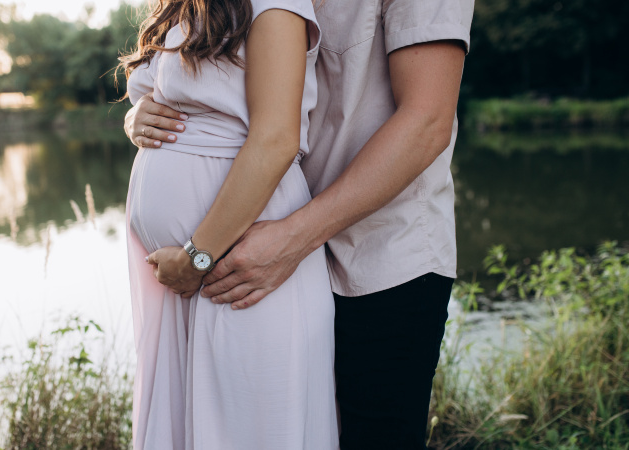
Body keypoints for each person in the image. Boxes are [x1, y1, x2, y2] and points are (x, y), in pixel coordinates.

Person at [125, 1, 475, 448]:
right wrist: (140, 113)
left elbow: (426, 122)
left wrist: (291, 239)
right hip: (263, 237)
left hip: (380, 255)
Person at [121, 0, 338, 449]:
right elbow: (168, 93)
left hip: (238, 262)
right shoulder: (183, 5)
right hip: (181, 279)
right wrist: (135, 114)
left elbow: (276, 139)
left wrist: (198, 256)